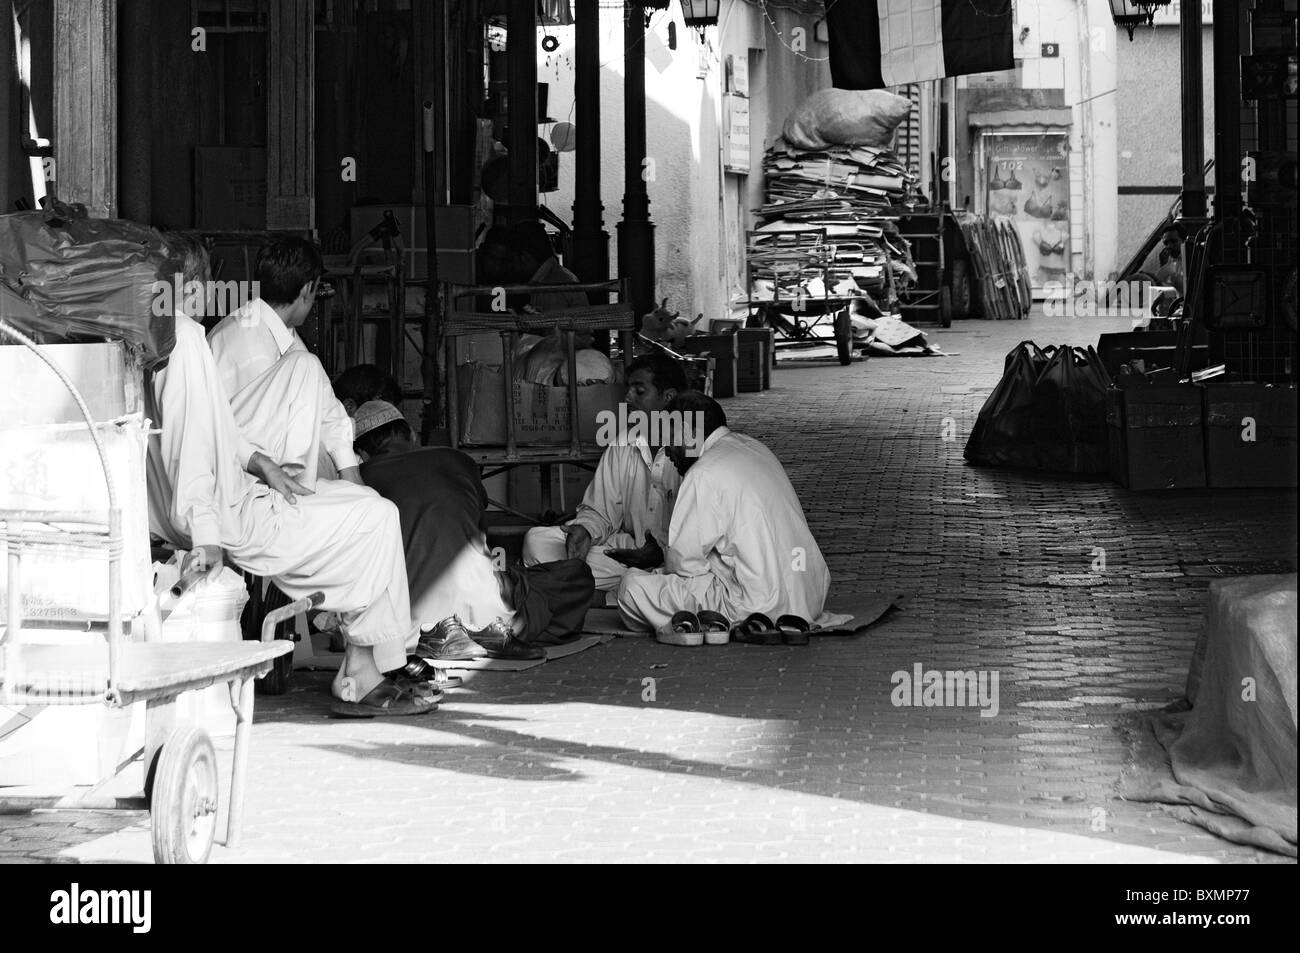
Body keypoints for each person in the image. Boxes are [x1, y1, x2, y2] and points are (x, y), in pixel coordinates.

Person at [144, 236, 434, 718]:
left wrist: (263, 463)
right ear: (192, 287)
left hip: (249, 486)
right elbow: (190, 443)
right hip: (231, 509)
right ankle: (367, 671)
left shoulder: (179, 338)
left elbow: (212, 425)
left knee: (377, 511)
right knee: (373, 516)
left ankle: (372, 664)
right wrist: (208, 535)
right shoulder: (187, 340)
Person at [352, 400, 594, 659]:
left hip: (400, 626)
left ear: (362, 454)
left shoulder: (359, 480)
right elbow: (480, 533)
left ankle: (452, 634)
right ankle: (482, 631)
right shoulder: (457, 459)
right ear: (411, 434)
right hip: (487, 613)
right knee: (574, 575)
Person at [615, 392, 830, 633]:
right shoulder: (755, 448)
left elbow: (685, 568)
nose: (666, 451)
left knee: (631, 587)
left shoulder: (703, 473)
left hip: (757, 607)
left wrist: (658, 564)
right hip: (808, 597)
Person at [521, 353, 686, 602]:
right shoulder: (622, 444)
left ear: (668, 397)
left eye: (639, 391)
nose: (628, 398)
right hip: (630, 554)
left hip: (676, 561)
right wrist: (585, 531)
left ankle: (601, 595)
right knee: (537, 541)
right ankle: (624, 593)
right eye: (628, 389)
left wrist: (664, 555)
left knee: (686, 577)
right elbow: (600, 511)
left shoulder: (690, 450)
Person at [207, 237, 361, 489]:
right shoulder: (246, 343)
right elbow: (239, 436)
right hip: (244, 481)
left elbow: (326, 406)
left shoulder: (282, 331)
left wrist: (350, 471)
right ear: (307, 290)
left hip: (273, 474)